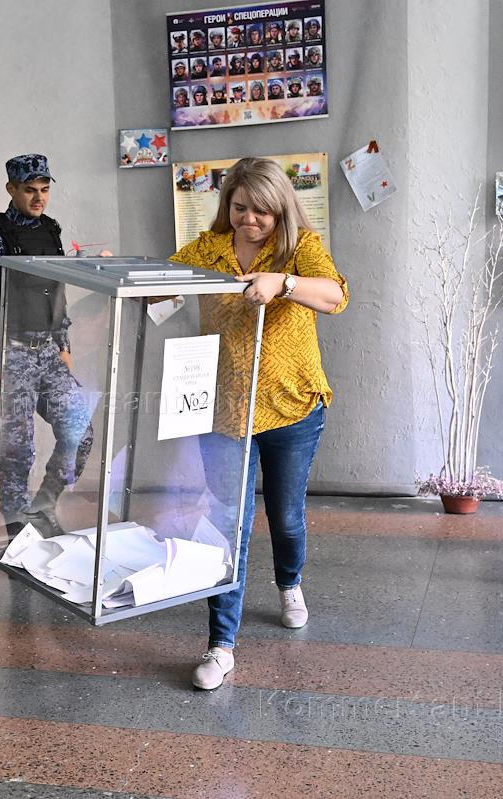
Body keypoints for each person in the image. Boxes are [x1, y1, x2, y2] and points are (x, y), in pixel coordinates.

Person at [168, 157, 348, 691]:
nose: (249, 220)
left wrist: (283, 282)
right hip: (224, 411)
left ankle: (289, 583)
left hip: (293, 406)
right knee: (230, 524)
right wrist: (122, 275)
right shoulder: (208, 248)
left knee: (286, 518)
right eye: (240, 207)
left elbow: (336, 296)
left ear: (281, 210)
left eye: (262, 212)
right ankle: (221, 644)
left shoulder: (300, 246)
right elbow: (163, 281)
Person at [0, 154, 95, 538]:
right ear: (11, 189)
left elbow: (55, 293)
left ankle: (43, 507)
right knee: (15, 452)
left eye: (45, 190)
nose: (39, 198)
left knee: (80, 432)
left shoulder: (50, 230)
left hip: (47, 351)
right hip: (7, 354)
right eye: (30, 190)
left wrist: (63, 343)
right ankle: (18, 531)